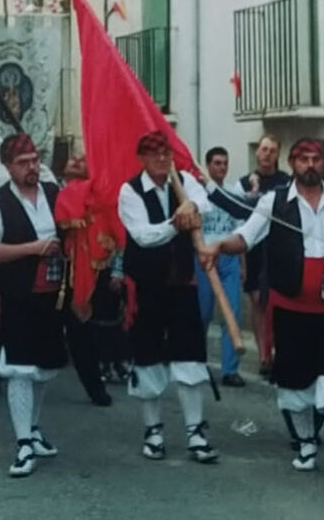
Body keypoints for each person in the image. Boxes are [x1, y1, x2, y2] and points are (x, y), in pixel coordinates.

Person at [203, 138, 324, 480]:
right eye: (303, 159)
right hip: (290, 307)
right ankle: (306, 445)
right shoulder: (273, 201)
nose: (310, 164)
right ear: (293, 164)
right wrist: (219, 245)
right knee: (295, 381)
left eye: (316, 158)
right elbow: (245, 238)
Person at [118, 131, 219, 464]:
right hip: (147, 288)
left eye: (166, 153)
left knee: (190, 356)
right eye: (154, 154)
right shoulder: (129, 191)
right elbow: (144, 236)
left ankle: (195, 432)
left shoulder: (184, 180)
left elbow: (204, 203)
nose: (162, 159)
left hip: (181, 284)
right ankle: (154, 431)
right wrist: (177, 224)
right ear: (142, 159)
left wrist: (191, 205)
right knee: (147, 359)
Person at [0, 134, 68, 478]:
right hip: (16, 296)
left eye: (34, 159)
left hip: (53, 295)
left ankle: (34, 427)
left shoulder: (55, 194)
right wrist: (34, 248)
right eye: (23, 162)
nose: (32, 167)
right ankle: (23, 443)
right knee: (19, 369)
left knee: (44, 368)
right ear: (7, 166)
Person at [53, 151, 115, 406]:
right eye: (72, 159)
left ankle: (100, 380)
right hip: (62, 272)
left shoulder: (102, 195)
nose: (77, 161)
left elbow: (115, 230)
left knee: (93, 331)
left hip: (99, 270)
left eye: (82, 159)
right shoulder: (52, 191)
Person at [238, 134, 290, 378]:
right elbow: (240, 219)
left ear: (278, 154)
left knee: (277, 305)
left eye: (272, 150)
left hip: (279, 249)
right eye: (263, 149)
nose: (267, 154)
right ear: (257, 153)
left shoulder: (287, 183)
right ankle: (263, 356)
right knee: (259, 303)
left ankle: (280, 352)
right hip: (255, 249)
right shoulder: (245, 183)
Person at [197, 147, 248, 387]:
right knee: (202, 313)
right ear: (208, 166)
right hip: (204, 256)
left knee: (232, 312)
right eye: (217, 163)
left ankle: (230, 370)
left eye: (225, 163)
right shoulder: (197, 195)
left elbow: (241, 231)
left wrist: (242, 263)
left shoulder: (230, 195)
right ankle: (198, 363)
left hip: (228, 256)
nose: (221, 168)